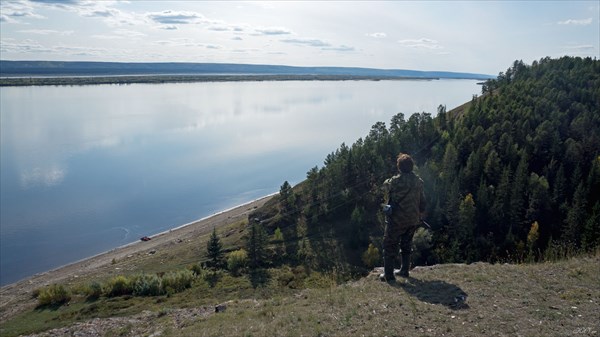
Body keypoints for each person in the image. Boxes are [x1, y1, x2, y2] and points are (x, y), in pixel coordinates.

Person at [380, 153, 426, 282]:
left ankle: (389, 275)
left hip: (396, 220)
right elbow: (423, 201)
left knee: (389, 245)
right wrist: (420, 214)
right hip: (413, 220)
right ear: (411, 167)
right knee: (406, 244)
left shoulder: (394, 182)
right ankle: (404, 270)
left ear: (399, 167)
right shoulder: (419, 181)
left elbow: (384, 186)